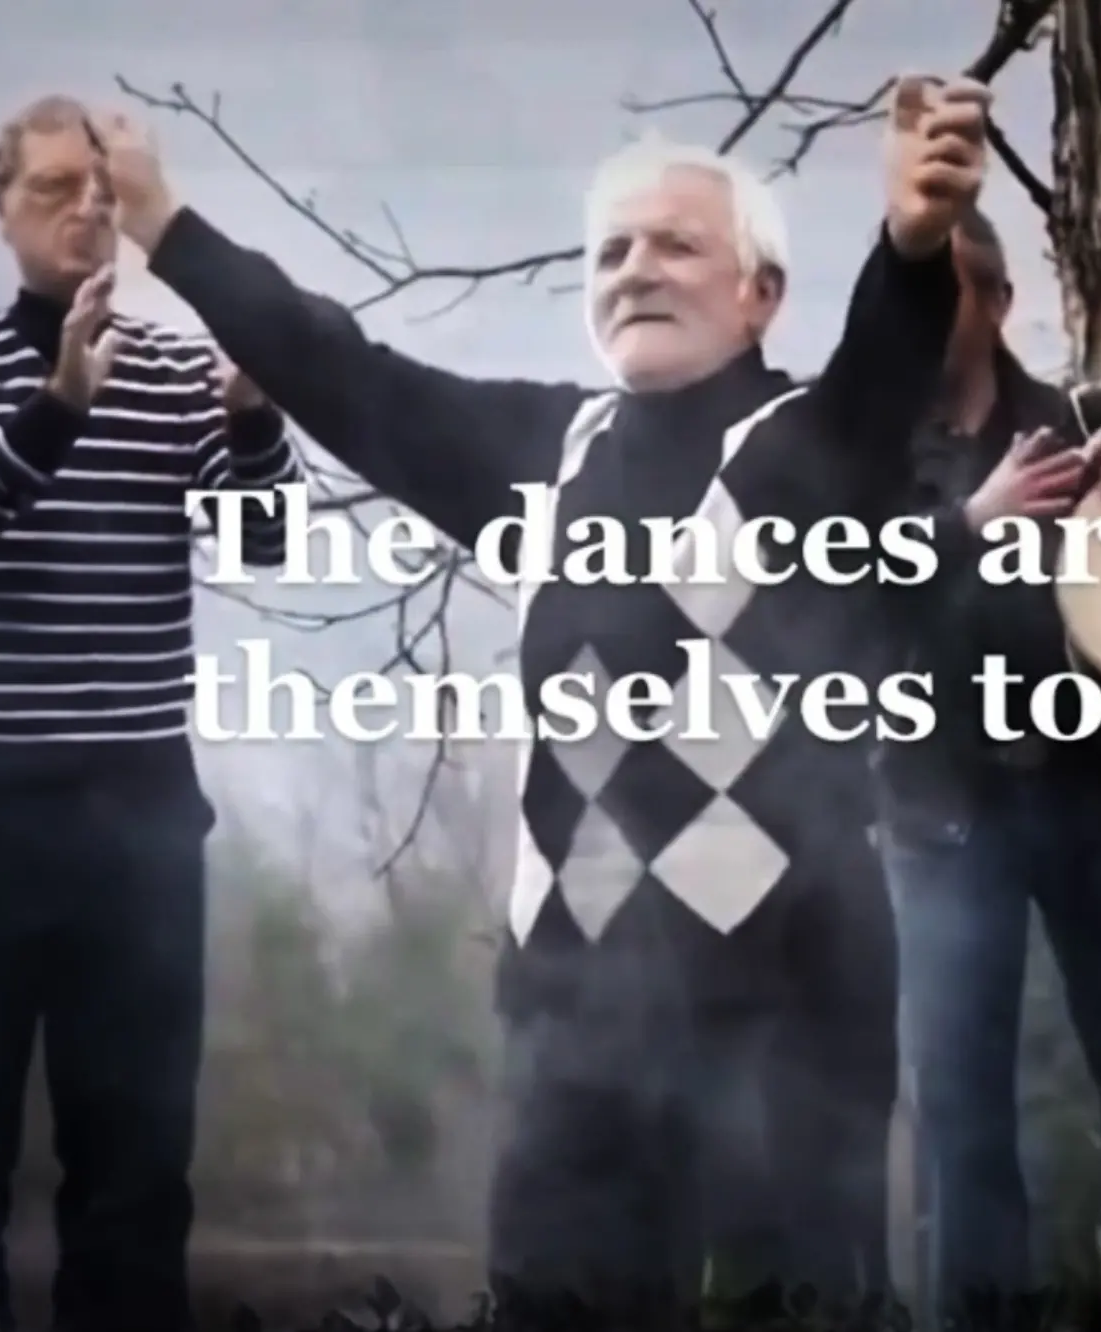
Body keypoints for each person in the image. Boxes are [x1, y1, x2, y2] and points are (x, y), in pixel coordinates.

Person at [75, 78, 989, 1320]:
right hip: (575, 1008)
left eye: (677, 243)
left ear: (759, 294)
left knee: (792, 1305)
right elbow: (341, 371)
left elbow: (879, 381)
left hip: (787, 1001)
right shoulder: (542, 462)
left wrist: (914, 248)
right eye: (611, 250)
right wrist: (167, 226)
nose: (637, 268)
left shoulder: (800, 449)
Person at [0, 94, 301, 1332]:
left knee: (135, 1180)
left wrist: (252, 417)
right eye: (52, 187)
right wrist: (57, 406)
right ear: (1, 209)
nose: (85, 206)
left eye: (102, 186)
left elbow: (266, 548)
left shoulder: (181, 371)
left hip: (133, 830)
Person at [877, 210, 1101, 1332]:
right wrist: (969, 522)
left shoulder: (1077, 423)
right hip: (943, 814)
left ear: (994, 302)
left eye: (941, 290)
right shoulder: (858, 449)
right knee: (963, 1121)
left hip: (1099, 793)